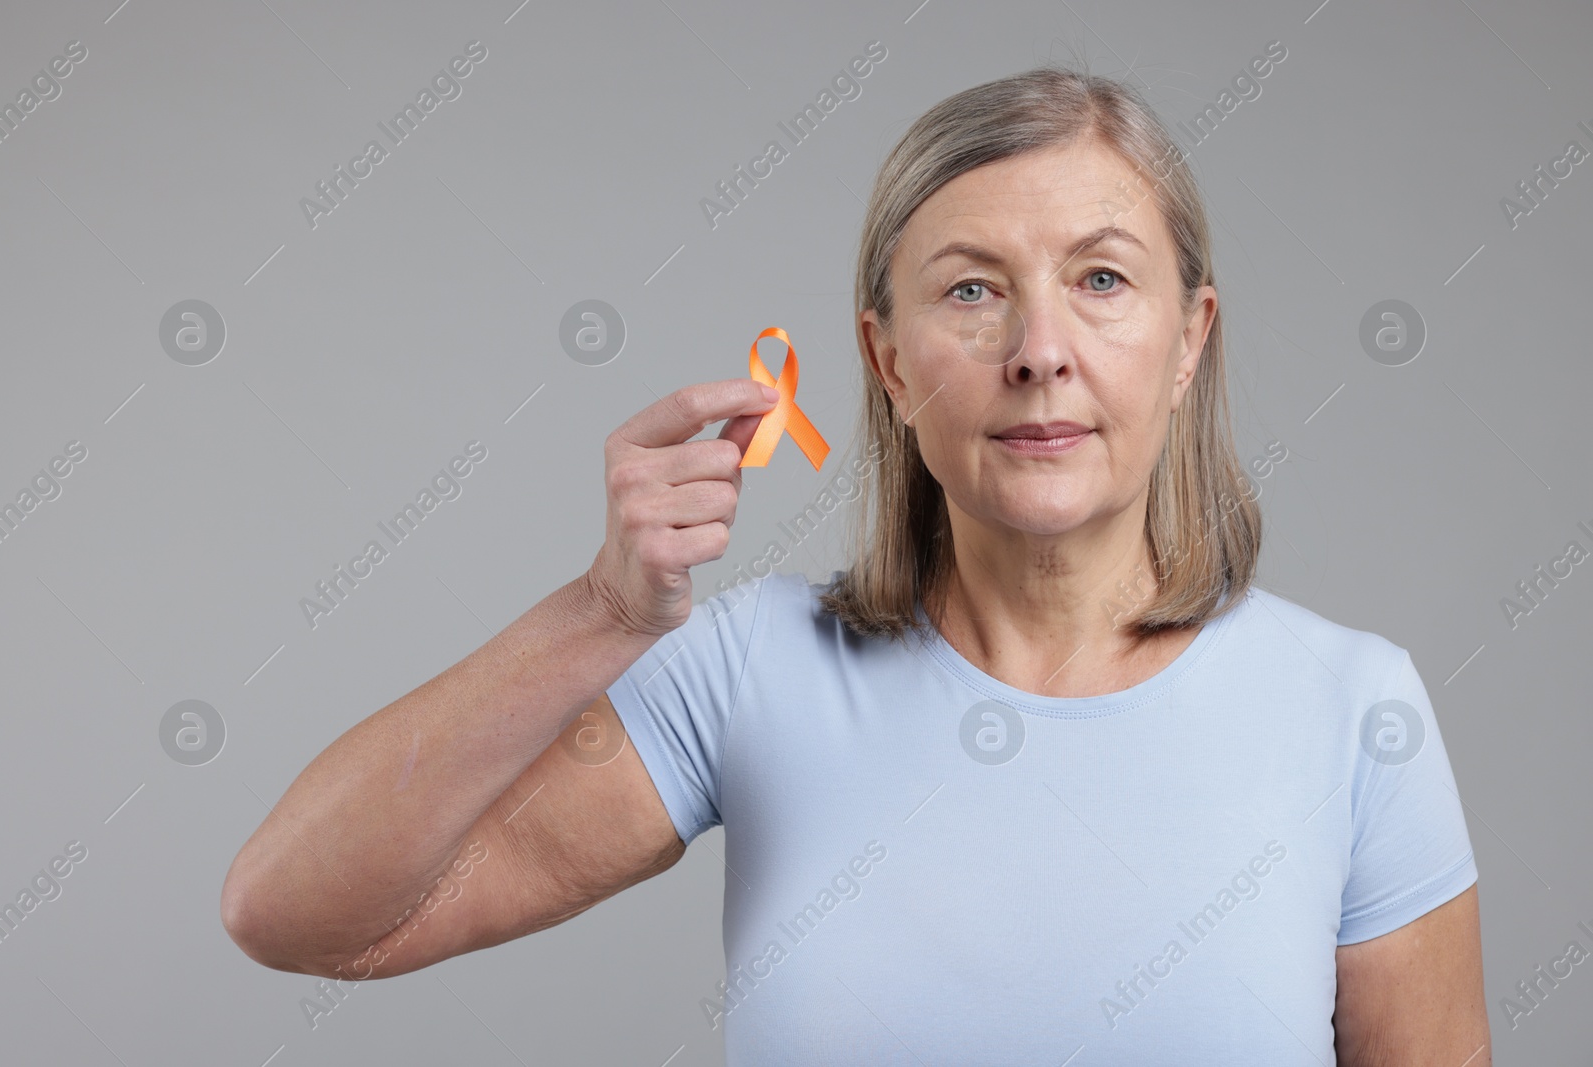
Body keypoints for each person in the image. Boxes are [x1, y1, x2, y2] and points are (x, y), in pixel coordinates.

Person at [220, 66, 1489, 1064]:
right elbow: (293, 913)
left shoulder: (1350, 709)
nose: (1039, 348)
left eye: (1101, 278)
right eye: (973, 292)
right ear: (886, 364)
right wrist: (601, 613)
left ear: (1185, 342)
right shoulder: (748, 671)